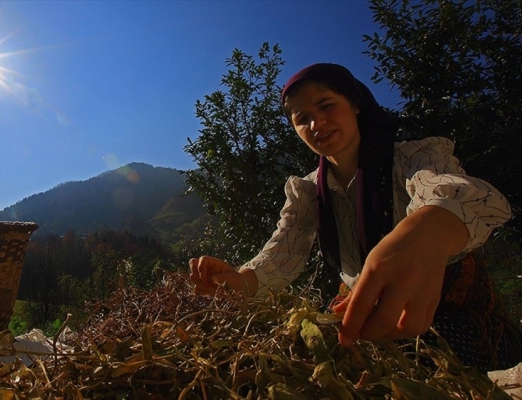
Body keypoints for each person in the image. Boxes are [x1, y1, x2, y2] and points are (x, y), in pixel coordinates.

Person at [189, 63, 522, 372]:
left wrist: (429, 229)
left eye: (326, 105)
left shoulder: (411, 158)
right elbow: (282, 252)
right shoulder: (308, 191)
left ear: (355, 105)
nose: (316, 124)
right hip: (362, 312)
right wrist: (240, 281)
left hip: (449, 307)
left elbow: (458, 194)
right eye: (302, 118)